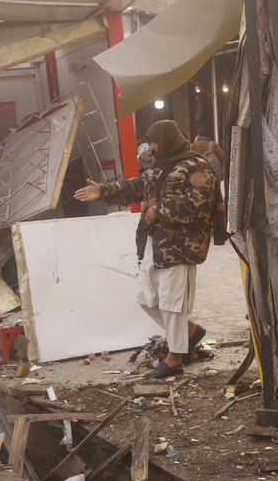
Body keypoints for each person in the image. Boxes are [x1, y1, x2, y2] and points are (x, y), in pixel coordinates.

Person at [74, 120, 215, 377]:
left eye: (155, 141)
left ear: (168, 139)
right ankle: (191, 332)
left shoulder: (196, 165)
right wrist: (102, 191)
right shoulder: (160, 167)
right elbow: (135, 187)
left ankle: (174, 362)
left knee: (172, 303)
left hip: (179, 247)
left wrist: (157, 210)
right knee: (146, 299)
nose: (151, 147)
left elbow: (199, 202)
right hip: (153, 243)